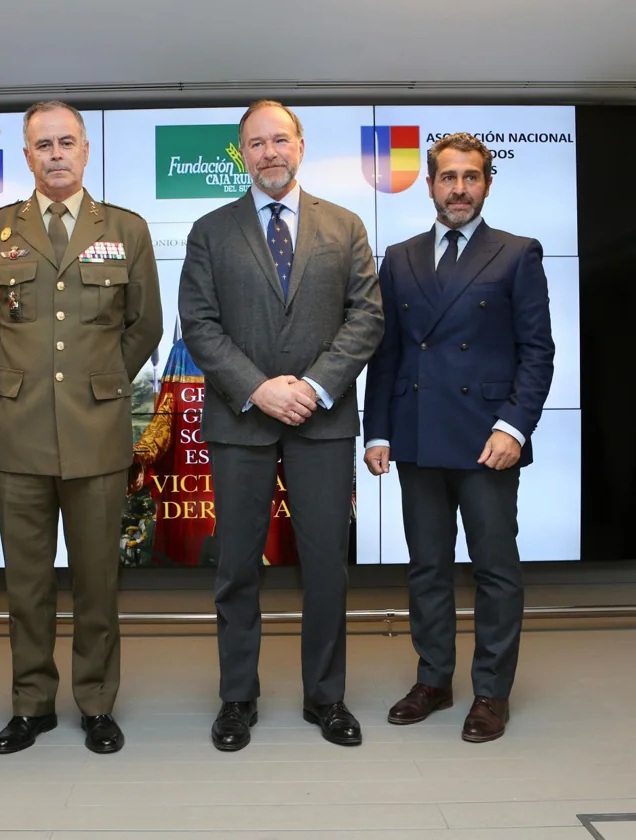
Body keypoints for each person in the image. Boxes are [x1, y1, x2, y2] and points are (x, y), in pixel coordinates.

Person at [178, 100, 384, 751]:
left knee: (326, 566)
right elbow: (200, 326)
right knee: (237, 566)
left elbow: (367, 317)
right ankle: (237, 697)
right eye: (255, 143)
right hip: (242, 421)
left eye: (279, 140)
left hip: (323, 423)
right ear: (243, 154)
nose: (269, 152)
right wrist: (260, 389)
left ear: (300, 145)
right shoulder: (210, 230)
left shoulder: (345, 225)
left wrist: (316, 386)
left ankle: (326, 697)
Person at [0, 100, 163, 755]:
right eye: (42, 144)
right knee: (26, 586)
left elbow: (145, 326)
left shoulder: (126, 231)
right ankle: (31, 705)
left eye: (66, 142)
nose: (55, 154)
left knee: (96, 583)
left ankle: (97, 703)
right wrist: (26, 378)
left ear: (85, 151)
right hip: (20, 434)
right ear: (27, 156)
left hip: (98, 433)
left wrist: (100, 380)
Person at [362, 132, 555, 743]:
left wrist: (514, 427)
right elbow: (386, 353)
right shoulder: (400, 256)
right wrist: (378, 432)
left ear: (488, 183)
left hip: (487, 441)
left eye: (472, 177)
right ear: (430, 184)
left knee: (496, 570)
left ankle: (492, 693)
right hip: (417, 437)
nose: (460, 189)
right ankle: (435, 680)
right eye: (449, 178)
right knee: (427, 568)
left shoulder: (517, 252)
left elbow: (537, 353)